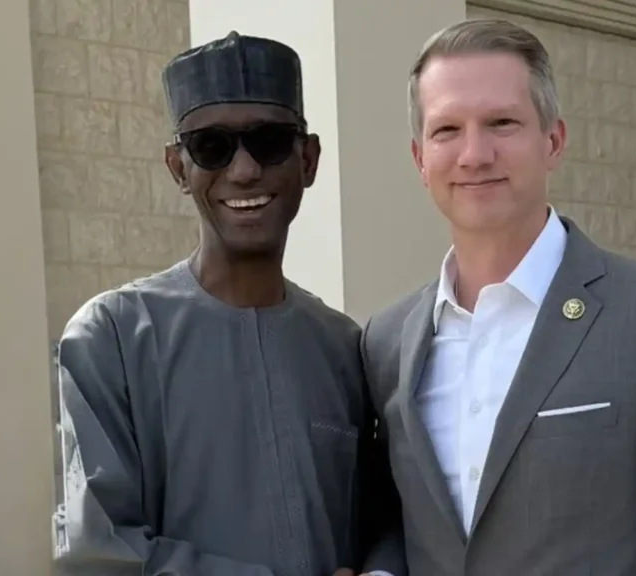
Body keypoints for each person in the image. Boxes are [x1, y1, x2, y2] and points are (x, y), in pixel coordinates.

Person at [360, 18, 636, 575]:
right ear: (419, 158)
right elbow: (398, 519)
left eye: (501, 123)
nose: (474, 153)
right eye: (447, 129)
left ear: (553, 141)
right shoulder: (386, 342)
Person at [52, 31, 403, 576]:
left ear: (308, 160)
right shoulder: (113, 337)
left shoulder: (342, 347)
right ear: (178, 167)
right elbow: (98, 552)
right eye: (211, 146)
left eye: (270, 141)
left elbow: (385, 517)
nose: (243, 170)